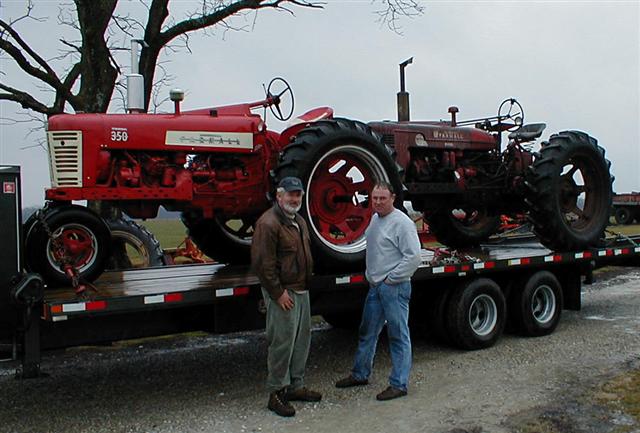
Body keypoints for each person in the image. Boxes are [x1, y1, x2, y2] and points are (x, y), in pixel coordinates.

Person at [335, 181, 422, 401]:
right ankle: (360, 374)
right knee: (367, 332)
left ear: (393, 197)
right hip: (376, 287)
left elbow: (413, 257)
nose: (378, 202)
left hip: (393, 287)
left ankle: (399, 384)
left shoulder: (402, 223)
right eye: (374, 198)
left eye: (383, 198)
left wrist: (391, 279)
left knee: (398, 336)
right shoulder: (375, 219)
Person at [251, 176, 322, 417]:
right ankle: (276, 393)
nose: (294, 198)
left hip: (302, 289)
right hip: (284, 292)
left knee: (302, 341)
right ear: (279, 196)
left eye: (298, 194)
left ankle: (296, 386)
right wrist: (278, 293)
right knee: (282, 343)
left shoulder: (299, 220)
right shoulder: (268, 223)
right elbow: (263, 264)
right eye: (290, 194)